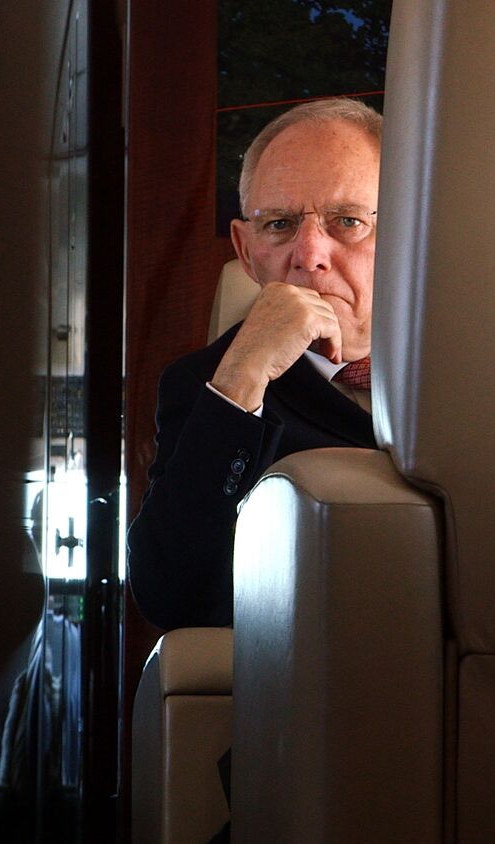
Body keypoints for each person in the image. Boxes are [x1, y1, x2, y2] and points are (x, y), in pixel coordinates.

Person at [126, 97, 382, 632]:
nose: (308, 253)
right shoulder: (206, 382)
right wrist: (241, 382)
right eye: (280, 225)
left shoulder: (487, 367)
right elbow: (171, 597)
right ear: (246, 252)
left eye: (348, 221)